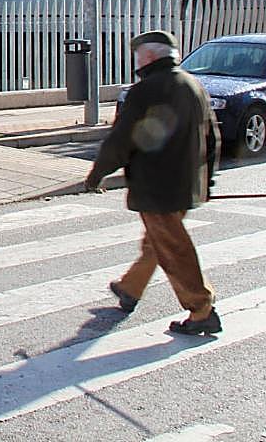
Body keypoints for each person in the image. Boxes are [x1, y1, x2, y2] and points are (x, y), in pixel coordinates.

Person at [85, 29, 223, 336]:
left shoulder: (145, 90)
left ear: (148, 56)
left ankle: (201, 309)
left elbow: (122, 140)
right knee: (158, 241)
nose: (136, 60)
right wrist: (207, 180)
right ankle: (130, 287)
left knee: (173, 248)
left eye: (138, 55)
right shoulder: (192, 85)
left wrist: (96, 174)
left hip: (156, 187)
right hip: (185, 184)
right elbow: (212, 136)